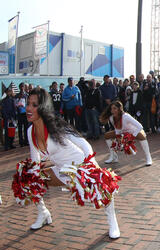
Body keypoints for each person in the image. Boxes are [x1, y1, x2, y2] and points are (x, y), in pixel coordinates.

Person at [21, 88, 121, 239]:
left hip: (80, 165)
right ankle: (43, 213)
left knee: (102, 189)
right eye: (28, 103)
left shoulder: (57, 125)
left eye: (34, 105)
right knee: (30, 179)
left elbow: (85, 145)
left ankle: (112, 222)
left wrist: (90, 168)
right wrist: (30, 173)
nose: (29, 108)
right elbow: (35, 159)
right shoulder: (30, 131)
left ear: (43, 108)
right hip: (61, 171)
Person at [100, 100, 153, 166]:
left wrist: (131, 137)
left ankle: (148, 158)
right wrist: (119, 139)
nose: (112, 111)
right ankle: (113, 156)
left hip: (133, 131)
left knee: (142, 137)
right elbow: (117, 129)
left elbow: (140, 126)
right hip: (123, 132)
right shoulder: (111, 118)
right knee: (107, 135)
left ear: (120, 109)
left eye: (114, 108)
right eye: (111, 109)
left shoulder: (126, 116)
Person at [15, 83, 29, 147]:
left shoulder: (27, 95)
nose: (22, 88)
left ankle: (26, 141)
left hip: (25, 114)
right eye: (20, 87)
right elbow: (15, 104)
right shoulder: (17, 95)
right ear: (19, 87)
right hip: (19, 114)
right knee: (20, 128)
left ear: (24, 87)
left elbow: (28, 104)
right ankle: (21, 142)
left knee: (26, 128)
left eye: (23, 86)